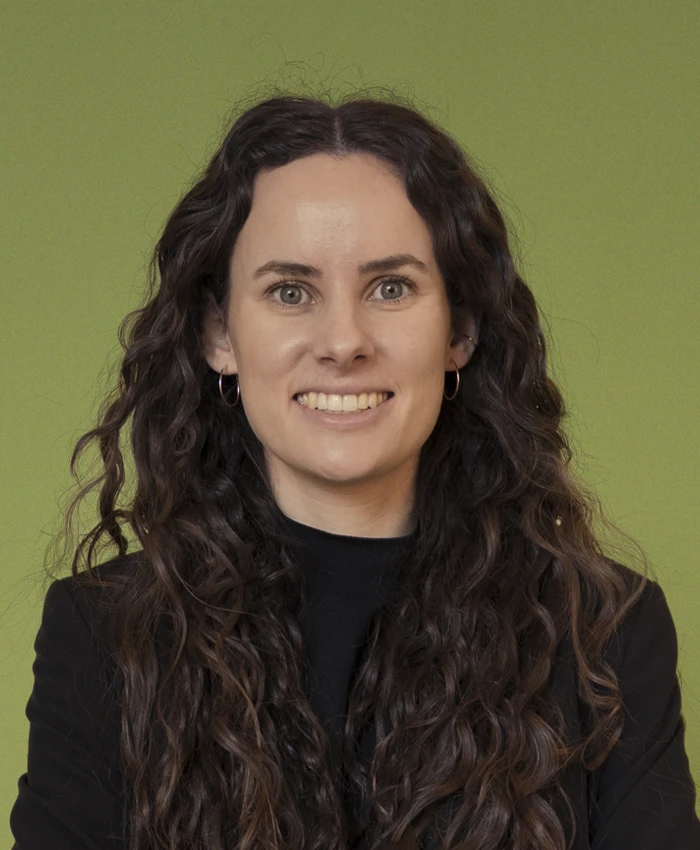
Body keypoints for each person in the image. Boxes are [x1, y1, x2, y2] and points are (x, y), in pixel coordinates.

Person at [9, 93, 700, 850]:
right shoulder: (106, 632)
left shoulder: (606, 633)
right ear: (219, 335)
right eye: (290, 291)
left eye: (391, 288)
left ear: (460, 330)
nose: (344, 342)